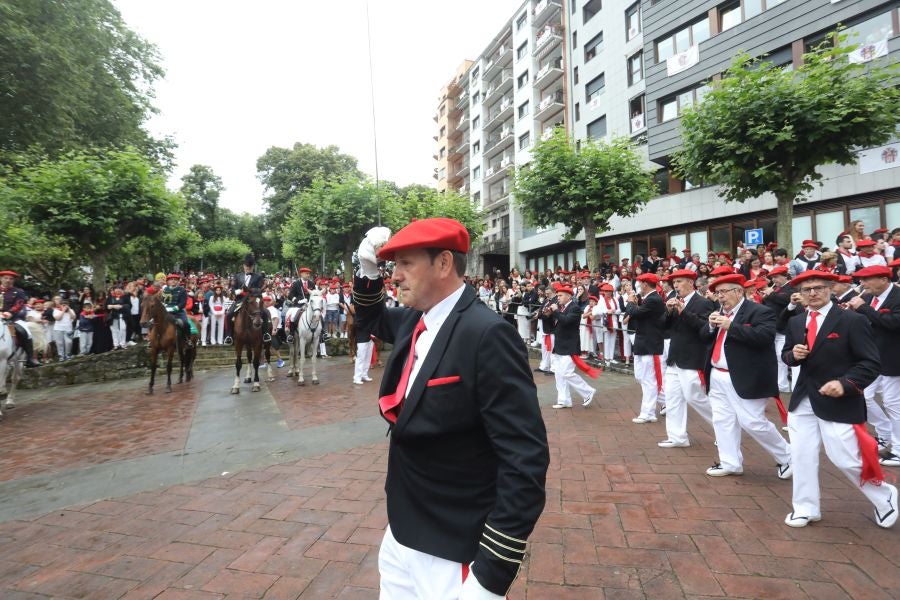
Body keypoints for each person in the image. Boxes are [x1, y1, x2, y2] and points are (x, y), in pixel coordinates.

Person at [353, 218, 549, 599]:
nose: (395, 277)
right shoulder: (417, 319)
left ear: (443, 264)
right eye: (392, 266)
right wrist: (366, 269)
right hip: (402, 531)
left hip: (453, 546)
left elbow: (524, 459)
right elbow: (371, 318)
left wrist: (491, 573)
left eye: (405, 264)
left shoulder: (487, 334)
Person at [781, 270, 896, 528]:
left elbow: (870, 362)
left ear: (831, 288)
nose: (812, 293)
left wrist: (844, 384)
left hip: (839, 400)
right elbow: (786, 355)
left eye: (818, 287)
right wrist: (793, 356)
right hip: (803, 399)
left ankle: (885, 495)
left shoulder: (851, 320)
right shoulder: (797, 322)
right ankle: (805, 507)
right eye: (807, 289)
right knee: (801, 454)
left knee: (845, 458)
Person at [702, 273, 792, 478]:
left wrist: (731, 326)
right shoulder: (718, 312)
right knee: (722, 420)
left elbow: (765, 337)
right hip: (717, 374)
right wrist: (709, 325)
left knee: (752, 422)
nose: (721, 297)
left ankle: (788, 455)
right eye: (718, 293)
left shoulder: (760, 311)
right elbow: (704, 337)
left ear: (738, 291)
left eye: (724, 292)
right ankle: (730, 462)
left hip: (745, 376)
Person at [846, 265, 900, 467]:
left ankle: (898, 449)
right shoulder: (868, 298)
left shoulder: (897, 296)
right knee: (863, 395)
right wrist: (852, 312)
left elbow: (894, 323)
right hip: (872, 357)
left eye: (867, 279)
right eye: (861, 279)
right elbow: (865, 322)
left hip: (894, 358)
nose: (863, 284)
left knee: (893, 403)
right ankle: (885, 434)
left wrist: (863, 308)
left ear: (883, 279)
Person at [659, 269, 716, 448]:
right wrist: (668, 311)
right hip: (675, 357)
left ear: (691, 283)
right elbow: (663, 327)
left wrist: (683, 312)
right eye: (674, 283)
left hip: (692, 358)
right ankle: (677, 437)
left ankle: (725, 427)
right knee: (673, 398)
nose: (676, 286)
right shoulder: (674, 302)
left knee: (695, 397)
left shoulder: (703, 303)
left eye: (680, 282)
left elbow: (704, 329)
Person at [624, 273, 666, 423]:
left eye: (640, 283)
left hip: (651, 344)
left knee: (649, 380)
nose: (638, 286)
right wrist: (635, 303)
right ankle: (666, 401)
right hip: (643, 342)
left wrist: (630, 302)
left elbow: (635, 313)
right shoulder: (649, 299)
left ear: (645, 284)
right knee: (641, 377)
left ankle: (648, 413)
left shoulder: (654, 299)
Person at [548, 285, 598, 409]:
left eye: (560, 295)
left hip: (569, 346)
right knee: (559, 374)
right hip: (560, 345)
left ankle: (587, 391)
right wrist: (549, 314)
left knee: (567, 373)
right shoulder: (562, 308)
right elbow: (556, 323)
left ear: (568, 296)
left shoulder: (574, 308)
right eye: (557, 295)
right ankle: (564, 400)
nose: (558, 298)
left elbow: (566, 321)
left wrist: (555, 312)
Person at [224, 254, 270, 344]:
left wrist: (250, 292)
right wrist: (238, 291)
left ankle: (265, 334)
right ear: (244, 266)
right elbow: (233, 289)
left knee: (264, 313)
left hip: (252, 300)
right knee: (229, 314)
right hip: (240, 301)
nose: (247, 268)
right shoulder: (238, 276)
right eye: (246, 266)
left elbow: (259, 289)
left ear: (252, 267)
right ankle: (229, 335)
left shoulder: (258, 277)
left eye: (249, 267)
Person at [0, 270, 40, 367]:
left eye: (11, 279)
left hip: (12, 319)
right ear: (1, 279)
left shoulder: (18, 292)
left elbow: (19, 304)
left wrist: (10, 312)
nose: (8, 280)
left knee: (25, 331)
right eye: (6, 278)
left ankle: (30, 358)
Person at [160, 274, 193, 345]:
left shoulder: (182, 290)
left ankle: (188, 339)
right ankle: (153, 340)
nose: (173, 281)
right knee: (154, 322)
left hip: (179, 311)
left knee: (186, 323)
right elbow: (162, 300)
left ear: (178, 281)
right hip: (166, 312)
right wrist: (164, 307)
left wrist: (174, 308)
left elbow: (183, 303)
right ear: (168, 281)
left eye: (175, 280)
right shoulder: (165, 290)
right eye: (171, 279)